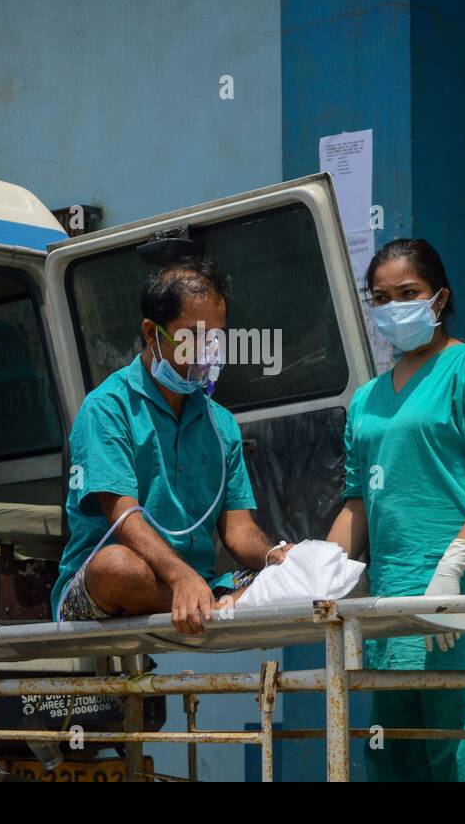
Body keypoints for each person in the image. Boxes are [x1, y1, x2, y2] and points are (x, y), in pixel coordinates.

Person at [326, 239, 465, 782]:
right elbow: (358, 502)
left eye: (407, 293)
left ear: (439, 299)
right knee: (394, 767)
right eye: (381, 298)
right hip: (392, 623)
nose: (393, 308)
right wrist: (315, 572)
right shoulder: (365, 401)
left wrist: (454, 563)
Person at [50, 257, 290, 635]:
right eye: (192, 335)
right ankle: (217, 608)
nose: (208, 350)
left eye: (216, 337)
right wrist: (180, 576)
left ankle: (210, 604)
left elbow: (239, 530)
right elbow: (123, 516)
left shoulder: (220, 422)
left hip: (196, 582)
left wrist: (274, 555)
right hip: (115, 581)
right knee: (118, 566)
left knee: (285, 577)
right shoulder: (108, 407)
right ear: (151, 332)